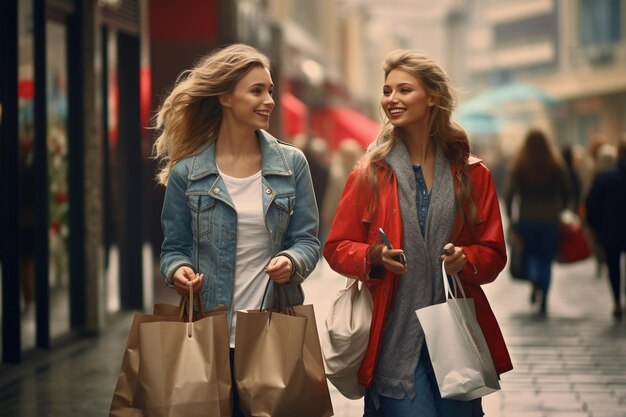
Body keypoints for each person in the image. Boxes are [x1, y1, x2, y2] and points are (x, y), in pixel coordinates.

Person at [323, 49, 512, 417]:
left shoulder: (472, 175)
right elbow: (336, 247)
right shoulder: (370, 173)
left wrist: (466, 259)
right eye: (387, 90)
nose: (391, 99)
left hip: (455, 338)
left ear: (432, 97)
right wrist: (373, 256)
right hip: (394, 340)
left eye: (404, 90)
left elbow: (492, 253)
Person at [153, 43, 321, 416]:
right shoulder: (188, 172)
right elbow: (174, 247)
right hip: (205, 332)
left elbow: (307, 240)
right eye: (257, 90)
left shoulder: (291, 164)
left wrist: (291, 260)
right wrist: (176, 270)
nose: (269, 101)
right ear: (225, 97)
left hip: (271, 330)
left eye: (270, 91)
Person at [503, 129, 572, 315]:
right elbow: (567, 190)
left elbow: (509, 193)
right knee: (546, 259)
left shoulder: (520, 164)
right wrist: (563, 209)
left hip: (527, 218)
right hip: (550, 219)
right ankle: (545, 298)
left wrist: (511, 217)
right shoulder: (555, 164)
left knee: (532, 254)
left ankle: (534, 280)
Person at [585, 137, 626, 319]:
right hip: (612, 228)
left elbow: (591, 204)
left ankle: (617, 301)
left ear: (619, 153)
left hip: (612, 230)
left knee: (614, 266)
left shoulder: (605, 176)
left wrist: (595, 227)